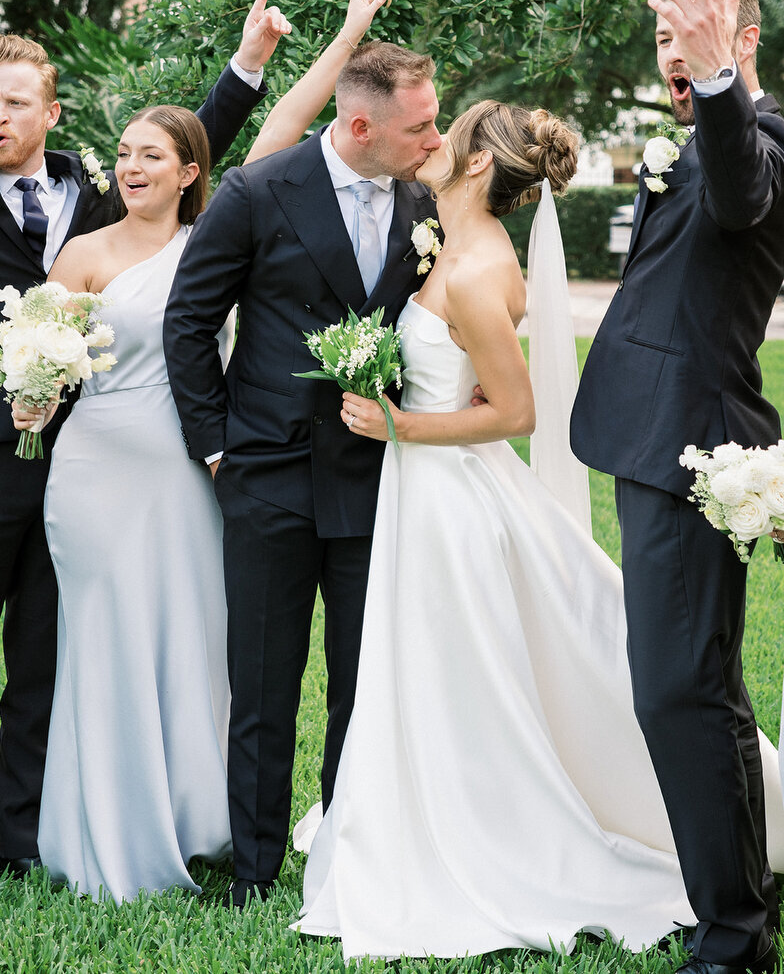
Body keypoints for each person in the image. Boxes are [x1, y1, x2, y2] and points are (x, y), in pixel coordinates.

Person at [292, 101, 784, 961]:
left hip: (448, 498)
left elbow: (516, 410)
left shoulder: (480, 270)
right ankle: (412, 820)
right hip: (425, 494)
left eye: (452, 133)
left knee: (461, 676)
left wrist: (398, 425)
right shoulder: (445, 243)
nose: (435, 142)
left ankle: (479, 842)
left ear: (481, 167)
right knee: (422, 673)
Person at [10, 0, 389, 902]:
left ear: (190, 173)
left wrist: (341, 43)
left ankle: (200, 823)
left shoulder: (224, 225)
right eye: (123, 153)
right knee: (106, 642)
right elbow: (44, 360)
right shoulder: (83, 253)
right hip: (96, 475)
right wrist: (27, 397)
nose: (132, 166)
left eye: (152, 155)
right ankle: (105, 831)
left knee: (195, 640)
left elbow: (289, 126)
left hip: (194, 471)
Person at [0, 0, 283, 879]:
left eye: (15, 101)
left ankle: (26, 838)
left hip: (98, 455)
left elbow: (186, 143)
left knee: (47, 654)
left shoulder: (94, 195)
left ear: (49, 110)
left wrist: (248, 60)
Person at [163, 37, 442, 908]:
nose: (436, 141)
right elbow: (189, 322)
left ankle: (346, 850)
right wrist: (216, 447)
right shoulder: (255, 191)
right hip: (267, 476)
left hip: (374, 479)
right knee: (265, 681)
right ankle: (252, 869)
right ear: (360, 125)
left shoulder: (424, 202)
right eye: (421, 127)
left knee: (363, 682)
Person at [570, 0, 784, 974]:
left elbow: (742, 195)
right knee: (696, 685)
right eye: (661, 38)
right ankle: (738, 910)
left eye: (693, 37)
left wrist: (715, 84)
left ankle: (731, 935)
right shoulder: (689, 140)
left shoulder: (764, 138)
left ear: (741, 44)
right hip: (652, 439)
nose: (671, 53)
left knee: (674, 688)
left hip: (694, 444)